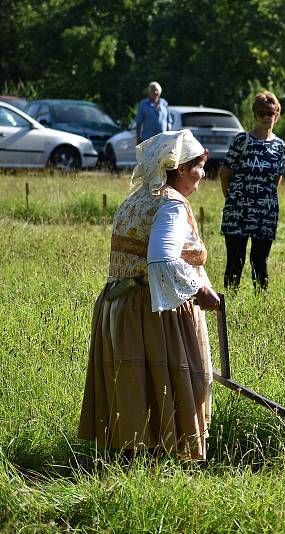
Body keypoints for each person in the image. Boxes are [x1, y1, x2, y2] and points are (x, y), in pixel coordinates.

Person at [78, 130, 220, 460]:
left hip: (120, 305)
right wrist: (200, 291)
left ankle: (133, 458)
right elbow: (162, 259)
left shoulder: (136, 200)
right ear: (181, 168)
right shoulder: (170, 205)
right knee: (163, 381)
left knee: (134, 384)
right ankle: (159, 459)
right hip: (152, 308)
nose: (202, 174)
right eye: (199, 166)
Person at [219, 91, 285, 290]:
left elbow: (277, 178)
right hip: (237, 210)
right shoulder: (242, 140)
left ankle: (261, 303)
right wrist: (232, 198)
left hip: (265, 212)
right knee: (235, 260)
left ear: (277, 115)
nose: (266, 117)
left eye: (271, 113)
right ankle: (230, 301)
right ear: (255, 115)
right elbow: (225, 173)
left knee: (260, 260)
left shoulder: (281, 146)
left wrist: (262, 200)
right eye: (261, 113)